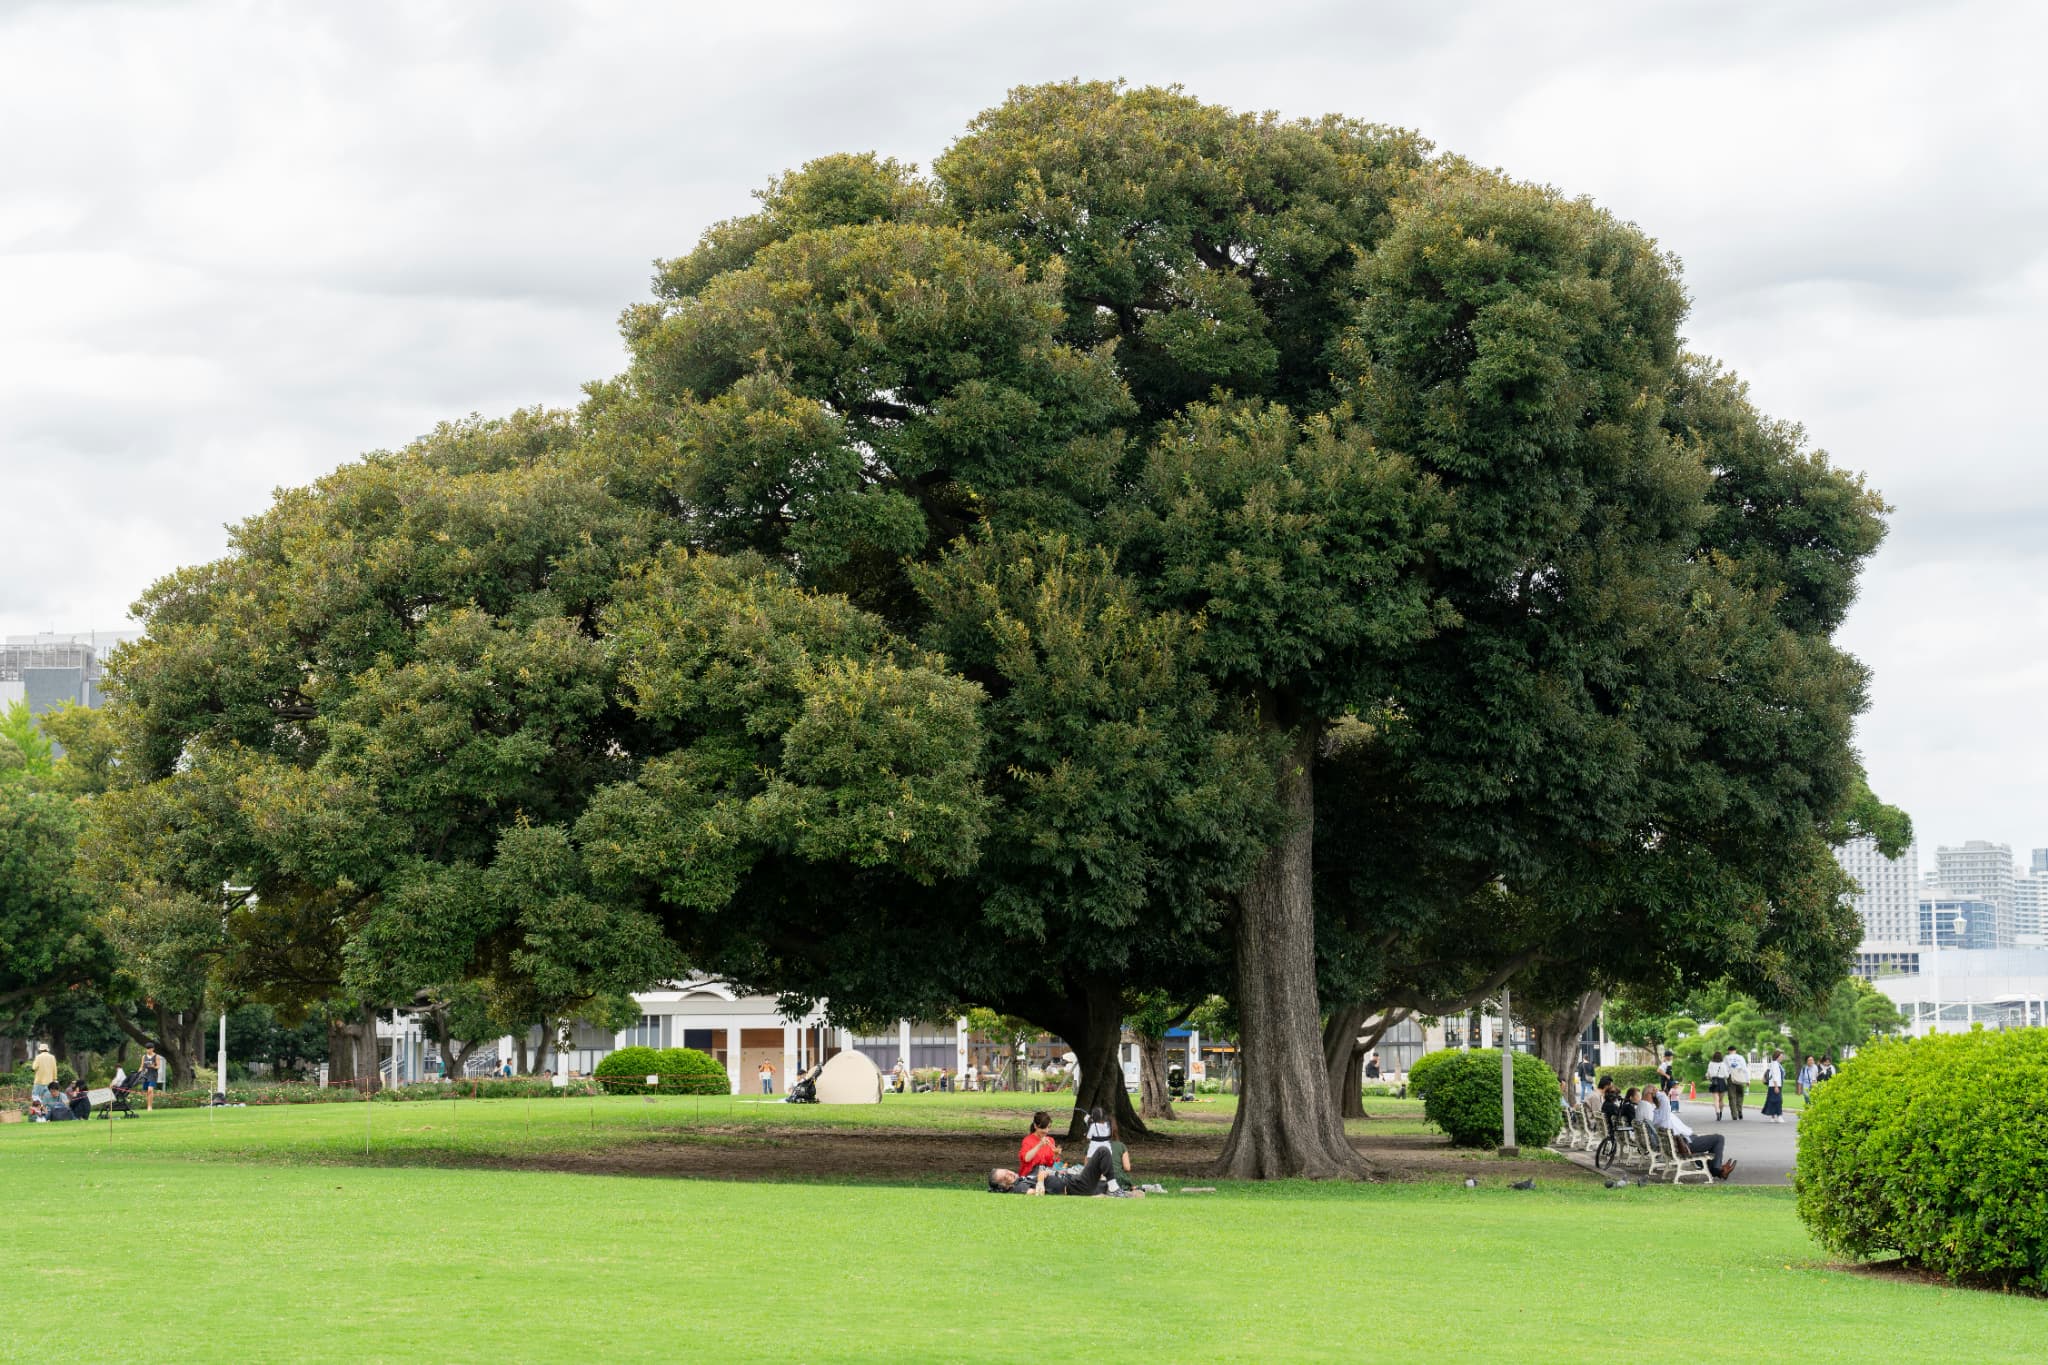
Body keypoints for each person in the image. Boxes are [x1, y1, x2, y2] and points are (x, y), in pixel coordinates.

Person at [1649, 1083, 1736, 1180]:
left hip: (1686, 1140)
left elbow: (1664, 1102)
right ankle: (1717, 1170)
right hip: (1687, 1144)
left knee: (1713, 1142)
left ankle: (1719, 1171)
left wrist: (1656, 1094)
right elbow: (1664, 1101)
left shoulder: (1658, 1114)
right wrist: (1656, 1092)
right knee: (1719, 1138)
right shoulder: (1662, 1115)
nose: (1664, 1095)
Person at [989, 1144, 1138, 1196]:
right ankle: (1113, 1188)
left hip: (1074, 1179)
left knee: (1109, 1183)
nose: (1010, 1173)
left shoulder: (1026, 1176)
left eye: (1007, 1170)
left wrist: (1055, 1159)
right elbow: (1035, 1194)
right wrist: (1040, 1180)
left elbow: (1053, 1169)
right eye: (1005, 1177)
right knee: (1102, 1151)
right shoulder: (1019, 1187)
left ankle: (1116, 1189)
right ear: (1004, 1186)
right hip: (1074, 1186)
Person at [1018, 1110, 1059, 1179]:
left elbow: (1052, 1163)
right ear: (1035, 1126)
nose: (1046, 1131)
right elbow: (1026, 1159)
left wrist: (1056, 1154)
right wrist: (1039, 1145)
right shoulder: (1028, 1140)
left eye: (1049, 1127)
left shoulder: (1050, 1140)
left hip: (1046, 1173)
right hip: (1030, 1174)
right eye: (1043, 1127)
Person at [1760, 1051, 1786, 1122]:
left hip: (1775, 1085)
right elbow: (1774, 1076)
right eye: (1781, 1056)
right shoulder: (1775, 1064)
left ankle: (1773, 1117)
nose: (1782, 1057)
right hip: (1775, 1085)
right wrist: (1776, 1086)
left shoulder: (1777, 1064)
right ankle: (1779, 1116)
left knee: (1773, 1101)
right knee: (1778, 1101)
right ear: (1777, 1056)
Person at [1724, 1049, 1749, 1121]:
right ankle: (1740, 1110)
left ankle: (1734, 1114)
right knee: (1740, 1094)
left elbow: (1725, 1069)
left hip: (1730, 1077)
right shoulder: (1741, 1057)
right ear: (1735, 1050)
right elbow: (1745, 1068)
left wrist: (1725, 1078)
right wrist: (1747, 1079)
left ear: (1728, 1051)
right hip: (1740, 1076)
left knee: (1732, 1097)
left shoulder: (1726, 1058)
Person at [30, 1043, 57, 1107]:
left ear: (40, 1050)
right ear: (47, 1050)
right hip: (49, 1082)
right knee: (47, 1097)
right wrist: (54, 1079)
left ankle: (39, 1108)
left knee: (35, 1096)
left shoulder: (38, 1057)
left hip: (39, 1081)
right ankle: (46, 1111)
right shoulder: (52, 1057)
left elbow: (34, 1068)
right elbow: (54, 1069)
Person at [138, 1046, 162, 1112]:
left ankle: (150, 1107)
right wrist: (138, 1072)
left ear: (152, 1049)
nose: (148, 1050)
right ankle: (148, 1105)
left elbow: (158, 1066)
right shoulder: (144, 1057)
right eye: (147, 1048)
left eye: (149, 1048)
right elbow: (141, 1066)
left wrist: (153, 1066)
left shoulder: (156, 1056)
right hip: (145, 1075)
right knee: (147, 1092)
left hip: (153, 1075)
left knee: (150, 1090)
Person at [1706, 1049, 1728, 1120]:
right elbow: (1726, 1075)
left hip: (1714, 1081)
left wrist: (1709, 1077)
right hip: (1721, 1082)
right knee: (1721, 1100)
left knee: (1716, 1099)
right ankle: (1721, 1113)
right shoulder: (1723, 1064)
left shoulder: (1711, 1063)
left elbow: (1708, 1073)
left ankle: (1717, 1113)